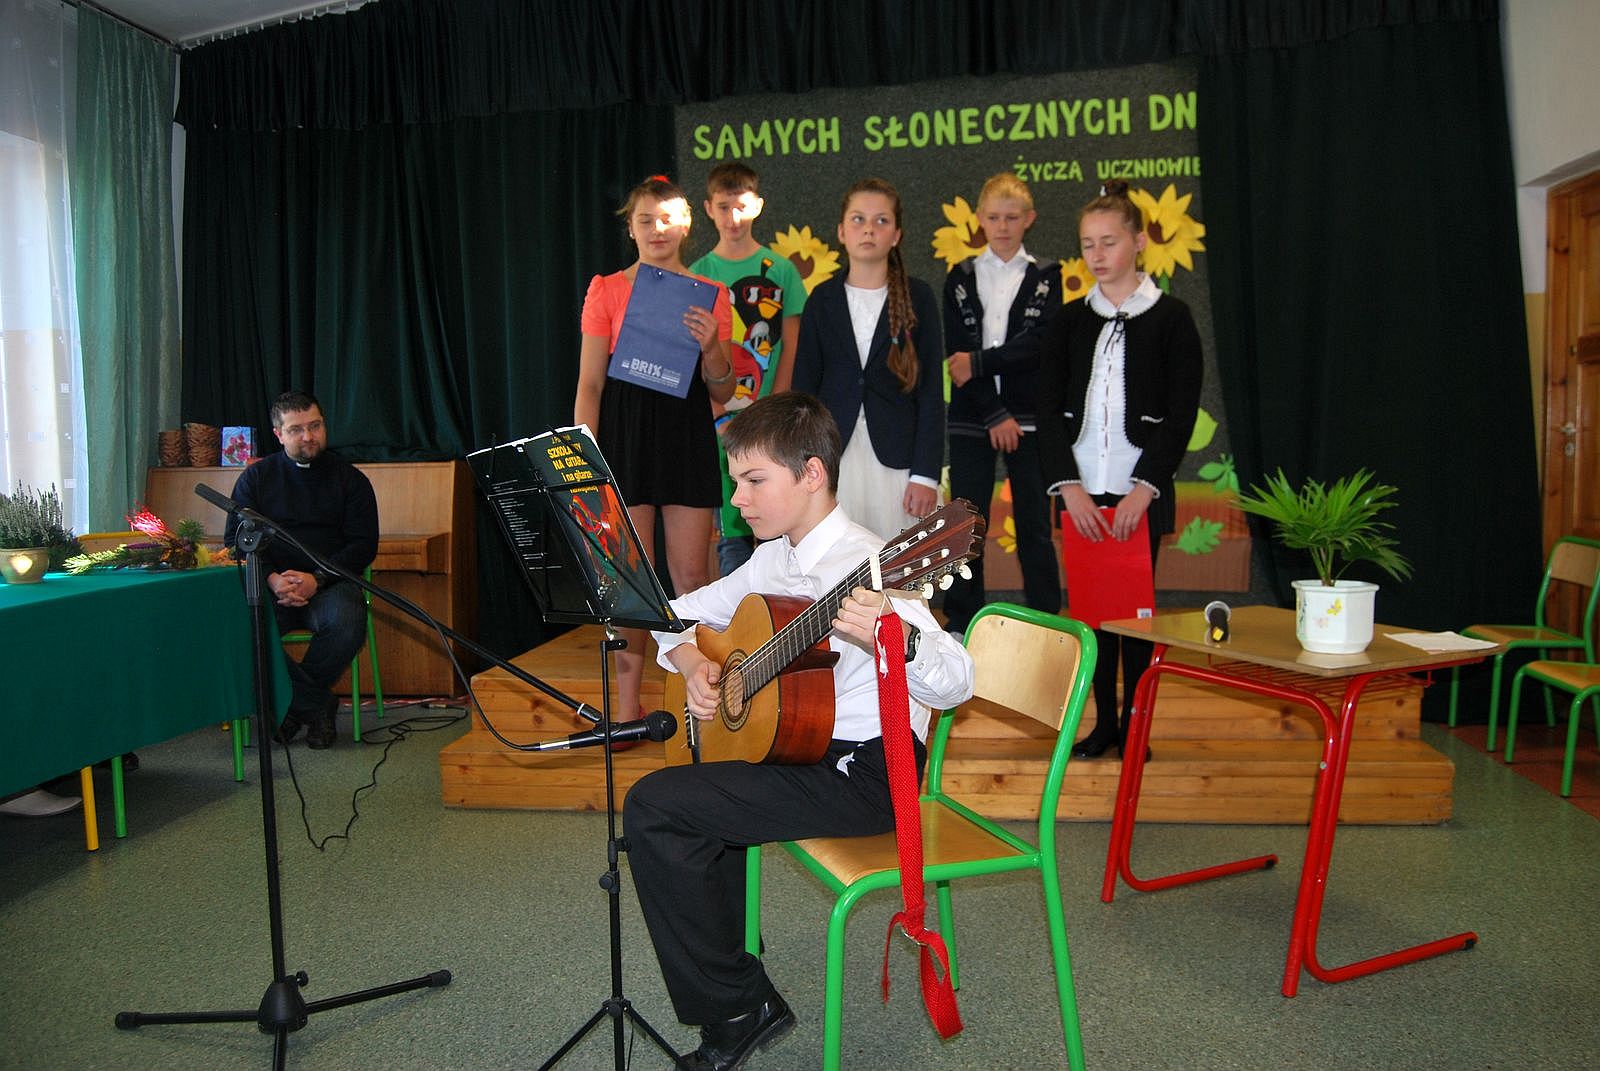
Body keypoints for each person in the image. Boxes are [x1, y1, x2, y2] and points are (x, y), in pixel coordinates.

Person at [624, 392, 974, 1071]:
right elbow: (670, 613)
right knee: (694, 787)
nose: (737, 499)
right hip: (804, 751)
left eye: (754, 480)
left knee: (656, 807)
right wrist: (695, 662)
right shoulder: (774, 559)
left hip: (869, 775)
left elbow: (958, 681)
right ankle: (733, 974)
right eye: (735, 481)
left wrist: (896, 639)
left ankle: (738, 1008)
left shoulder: (873, 564)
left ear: (812, 473)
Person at [1035, 180, 1202, 759]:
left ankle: (1135, 726)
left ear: (1138, 242)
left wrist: (1144, 490)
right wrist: (1069, 488)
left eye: (1109, 241)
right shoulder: (1069, 321)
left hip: (1138, 494)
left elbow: (1181, 413)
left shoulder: (1172, 317)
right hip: (1081, 493)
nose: (1097, 254)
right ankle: (1104, 722)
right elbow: (1046, 409)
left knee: (1136, 620)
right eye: (1088, 244)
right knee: (1093, 616)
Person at [573, 175, 735, 735]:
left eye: (667, 219)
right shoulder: (606, 290)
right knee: (630, 578)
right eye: (646, 220)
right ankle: (626, 710)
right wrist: (584, 457)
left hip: (686, 436)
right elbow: (590, 384)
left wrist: (711, 345)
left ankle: (703, 703)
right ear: (631, 228)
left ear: (686, 225)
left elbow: (722, 389)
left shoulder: (711, 293)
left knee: (692, 576)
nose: (657, 229)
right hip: (624, 438)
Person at [941, 172, 1063, 637]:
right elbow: (957, 359)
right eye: (994, 217)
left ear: (1029, 219)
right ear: (980, 219)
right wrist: (993, 412)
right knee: (967, 526)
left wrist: (980, 362)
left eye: (1012, 218)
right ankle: (962, 621)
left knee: (1034, 524)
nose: (1003, 226)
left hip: (1028, 417)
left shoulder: (1047, 276)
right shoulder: (960, 276)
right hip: (973, 416)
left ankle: (1047, 622)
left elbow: (1040, 345)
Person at [791, 178, 944, 541]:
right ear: (841, 232)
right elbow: (804, 391)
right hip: (831, 460)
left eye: (881, 221)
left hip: (899, 463)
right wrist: (801, 462)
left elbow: (931, 393)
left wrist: (925, 475)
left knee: (900, 564)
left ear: (897, 235)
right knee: (836, 562)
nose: (869, 230)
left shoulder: (919, 298)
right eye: (858, 219)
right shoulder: (821, 300)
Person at [226, 390, 379, 749]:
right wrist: (271, 578)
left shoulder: (351, 480)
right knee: (238, 631)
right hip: (272, 585)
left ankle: (292, 708)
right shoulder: (255, 479)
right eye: (296, 429)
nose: (308, 436)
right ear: (278, 434)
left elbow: (363, 545)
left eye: (315, 426)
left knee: (347, 623)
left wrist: (317, 579)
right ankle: (316, 704)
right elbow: (236, 541)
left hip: (329, 584)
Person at [690, 160, 808, 576]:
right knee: (734, 534)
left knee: (777, 531)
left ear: (757, 206)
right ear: (708, 209)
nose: (733, 217)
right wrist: (718, 415)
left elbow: (791, 348)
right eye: (723, 207)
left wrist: (775, 413)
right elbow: (694, 358)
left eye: (741, 206)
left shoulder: (783, 271)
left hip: (770, 424)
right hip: (720, 425)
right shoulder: (699, 274)